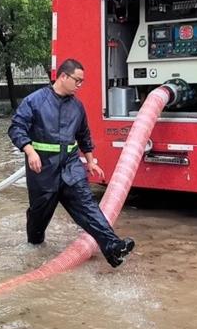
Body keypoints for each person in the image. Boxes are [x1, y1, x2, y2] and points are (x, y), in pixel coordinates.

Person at [8, 58, 135, 268]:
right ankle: (33, 250)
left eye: (82, 81)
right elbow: (16, 128)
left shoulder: (77, 106)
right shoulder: (35, 101)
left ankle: (113, 247)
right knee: (39, 218)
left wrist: (91, 161)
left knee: (88, 207)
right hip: (43, 170)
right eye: (77, 80)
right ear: (63, 76)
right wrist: (30, 152)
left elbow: (84, 135)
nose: (80, 85)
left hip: (70, 167)